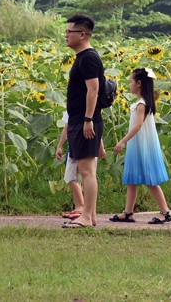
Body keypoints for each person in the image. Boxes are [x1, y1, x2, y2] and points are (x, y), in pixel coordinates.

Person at [111, 67, 171, 225]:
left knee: (150, 180)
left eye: (131, 81)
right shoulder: (141, 103)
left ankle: (166, 212)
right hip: (137, 145)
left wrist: (123, 141)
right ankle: (128, 212)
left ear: (139, 83)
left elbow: (138, 126)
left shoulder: (141, 104)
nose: (129, 85)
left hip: (142, 146)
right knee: (132, 178)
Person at [62, 15, 104, 228]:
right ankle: (91, 215)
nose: (66, 35)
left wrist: (88, 119)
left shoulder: (88, 58)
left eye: (69, 32)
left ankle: (86, 216)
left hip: (85, 120)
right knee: (86, 170)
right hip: (81, 119)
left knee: (87, 172)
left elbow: (93, 89)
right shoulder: (83, 57)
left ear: (82, 34)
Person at [55, 111, 107, 221]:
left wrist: (101, 148)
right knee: (77, 177)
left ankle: (81, 207)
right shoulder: (78, 110)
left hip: (80, 144)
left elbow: (94, 130)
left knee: (74, 177)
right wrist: (59, 146)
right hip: (81, 145)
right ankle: (81, 207)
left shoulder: (79, 110)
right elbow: (66, 128)